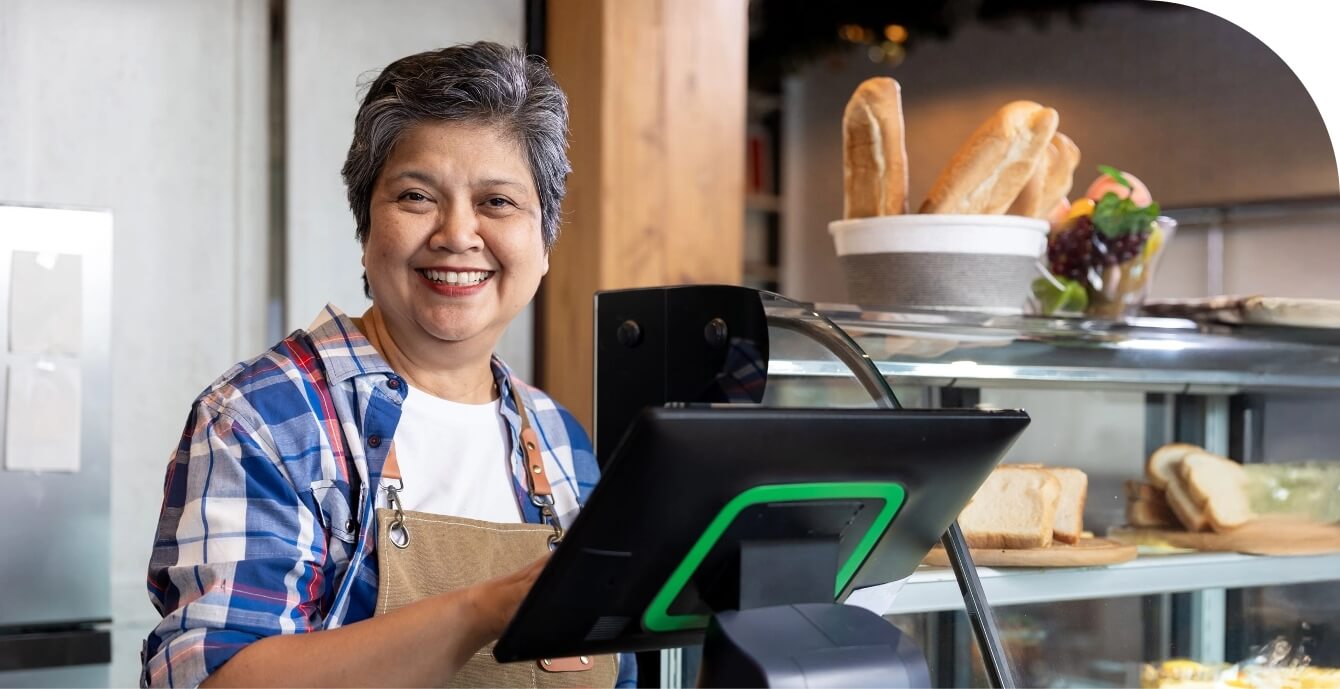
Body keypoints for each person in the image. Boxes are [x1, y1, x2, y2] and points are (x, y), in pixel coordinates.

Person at [141, 42, 633, 688]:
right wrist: (485, 609)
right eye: (416, 196)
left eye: (497, 203)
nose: (458, 234)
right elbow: (222, 679)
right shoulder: (263, 417)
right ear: (366, 229)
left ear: (543, 244)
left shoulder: (559, 437)